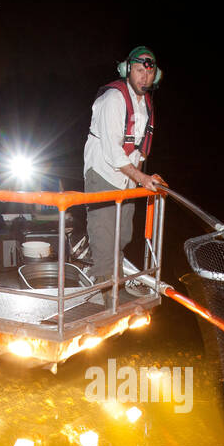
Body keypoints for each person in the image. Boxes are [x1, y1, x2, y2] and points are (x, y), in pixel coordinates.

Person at [82, 46, 164, 283]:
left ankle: (115, 283)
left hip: (127, 178)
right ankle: (106, 289)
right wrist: (141, 178)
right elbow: (112, 152)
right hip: (103, 172)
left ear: (155, 75)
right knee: (105, 232)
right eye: (139, 70)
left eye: (148, 73)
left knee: (122, 234)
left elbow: (138, 146)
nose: (144, 77)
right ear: (127, 70)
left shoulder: (146, 102)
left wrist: (146, 176)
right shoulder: (113, 98)